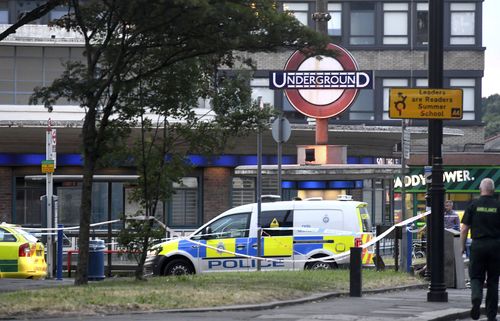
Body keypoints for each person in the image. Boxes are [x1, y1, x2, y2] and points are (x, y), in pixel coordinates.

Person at [460, 178, 500, 321]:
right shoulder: (498, 205)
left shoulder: (473, 205)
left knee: (476, 277)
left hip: (478, 245)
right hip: (495, 246)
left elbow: (464, 228)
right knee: (493, 281)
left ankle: (476, 298)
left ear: (480, 189)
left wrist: (462, 246)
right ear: (493, 190)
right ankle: (491, 315)